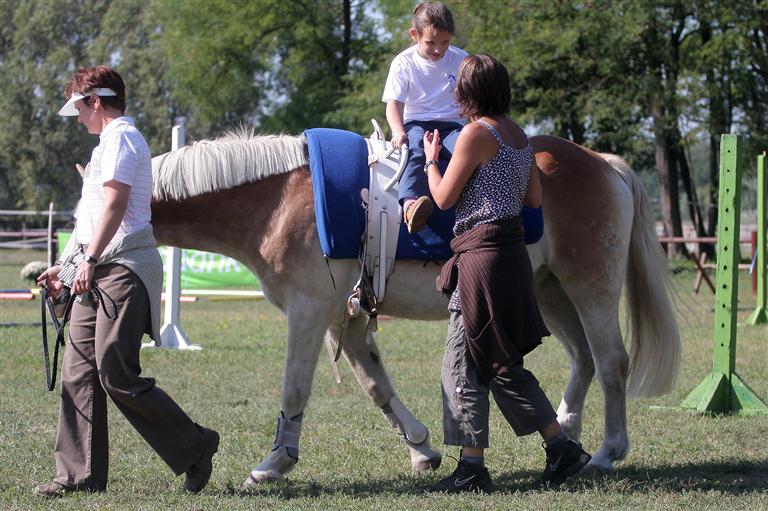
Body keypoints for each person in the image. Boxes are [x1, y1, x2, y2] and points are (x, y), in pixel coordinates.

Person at [34, 65, 219, 497]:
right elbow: (91, 218)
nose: (78, 118)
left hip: (122, 270)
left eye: (80, 108)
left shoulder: (122, 139)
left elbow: (116, 207)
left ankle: (196, 446)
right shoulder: (105, 146)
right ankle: (77, 476)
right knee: (78, 373)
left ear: (95, 102)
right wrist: (66, 266)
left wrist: (90, 259)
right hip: (94, 271)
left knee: (116, 372)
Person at [422, 54, 591, 493]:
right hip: (511, 254)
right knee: (499, 361)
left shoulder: (476, 134)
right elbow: (533, 198)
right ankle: (561, 448)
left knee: (461, 360)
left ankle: (473, 469)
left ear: (467, 92)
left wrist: (429, 162)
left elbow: (442, 199)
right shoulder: (519, 135)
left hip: (481, 258)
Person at [382, 1, 467, 234]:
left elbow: (474, 98)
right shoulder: (403, 63)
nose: (439, 49)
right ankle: (410, 205)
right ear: (414, 35)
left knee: (465, 148)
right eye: (431, 43)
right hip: (417, 122)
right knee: (415, 147)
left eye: (445, 42)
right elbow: (394, 105)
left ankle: (475, 204)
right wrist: (398, 131)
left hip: (452, 125)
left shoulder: (462, 60)